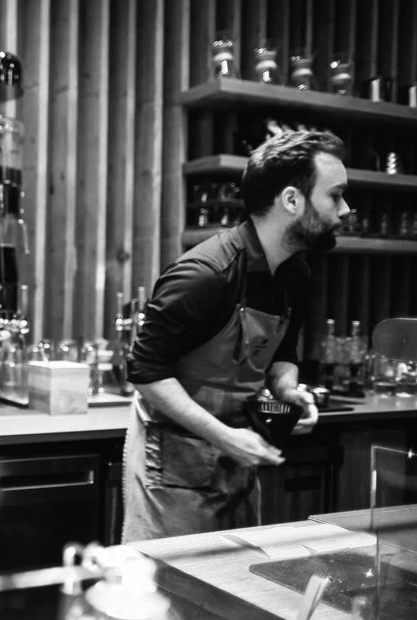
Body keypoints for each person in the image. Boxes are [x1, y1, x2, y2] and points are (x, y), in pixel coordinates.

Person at [122, 130, 350, 543]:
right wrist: (225, 437)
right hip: (174, 465)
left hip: (236, 456)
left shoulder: (296, 274)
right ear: (292, 201)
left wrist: (286, 390)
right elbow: (145, 371)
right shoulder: (205, 275)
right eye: (335, 196)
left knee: (233, 592)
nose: (345, 209)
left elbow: (283, 349)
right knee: (170, 596)